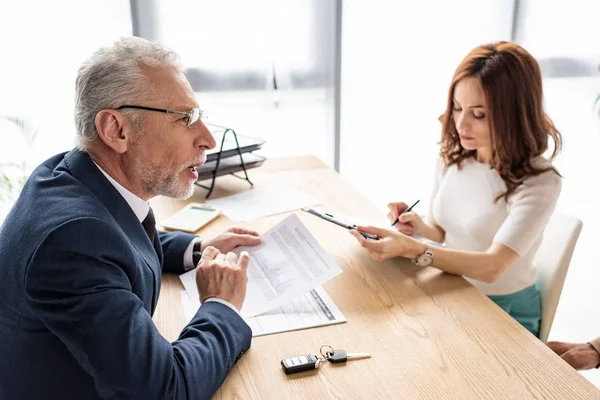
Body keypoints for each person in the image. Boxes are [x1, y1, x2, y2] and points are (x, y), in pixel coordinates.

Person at [0, 37, 262, 399]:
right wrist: (221, 305)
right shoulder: (72, 244)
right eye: (186, 119)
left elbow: (115, 233)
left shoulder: (70, 176)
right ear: (116, 130)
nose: (208, 140)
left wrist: (196, 249)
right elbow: (164, 391)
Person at [349, 41, 562, 337]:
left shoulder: (539, 180)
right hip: (452, 288)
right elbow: (443, 232)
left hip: (504, 313)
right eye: (458, 107)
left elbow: (492, 267)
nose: (461, 123)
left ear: (514, 113)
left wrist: (416, 249)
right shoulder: (455, 156)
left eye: (479, 114)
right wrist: (418, 227)